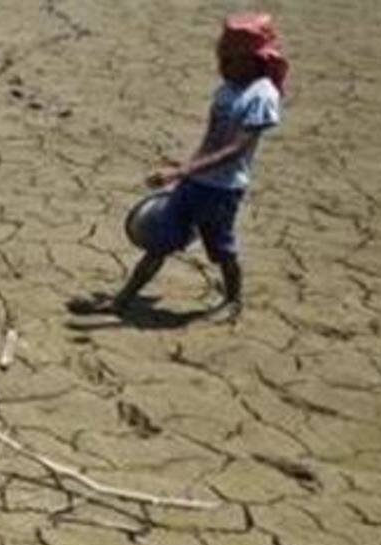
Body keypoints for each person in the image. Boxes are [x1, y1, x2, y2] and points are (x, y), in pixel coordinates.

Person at [90, 12, 287, 319]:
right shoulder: (227, 89)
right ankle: (121, 301)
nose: (223, 66)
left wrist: (182, 171)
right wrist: (187, 169)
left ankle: (233, 301)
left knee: (221, 250)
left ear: (252, 60)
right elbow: (210, 139)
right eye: (222, 58)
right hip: (195, 182)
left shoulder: (262, 95)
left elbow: (236, 149)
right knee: (160, 242)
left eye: (230, 60)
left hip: (223, 189)